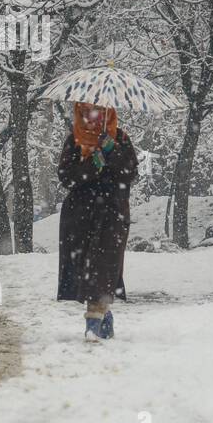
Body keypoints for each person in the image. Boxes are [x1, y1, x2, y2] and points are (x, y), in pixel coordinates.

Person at [57, 101, 138, 342]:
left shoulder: (120, 138)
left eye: (98, 112)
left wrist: (112, 152)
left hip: (112, 214)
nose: (93, 117)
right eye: (87, 112)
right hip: (80, 216)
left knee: (104, 266)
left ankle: (94, 321)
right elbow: (66, 178)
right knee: (85, 268)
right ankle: (104, 314)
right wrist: (93, 164)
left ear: (108, 113)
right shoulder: (74, 140)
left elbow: (131, 173)